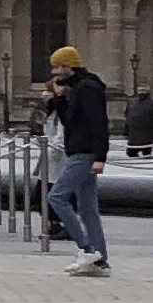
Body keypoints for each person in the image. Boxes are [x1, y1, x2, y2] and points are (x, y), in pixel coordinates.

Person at [44, 47, 110, 276]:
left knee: (56, 196)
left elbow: (99, 123)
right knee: (87, 207)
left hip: (85, 152)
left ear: (68, 66)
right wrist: (59, 99)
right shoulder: (77, 88)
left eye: (57, 67)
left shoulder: (88, 88)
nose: (54, 72)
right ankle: (99, 260)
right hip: (80, 150)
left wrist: (100, 157)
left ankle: (87, 249)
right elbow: (70, 122)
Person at [127, 86, 153, 159]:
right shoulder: (133, 102)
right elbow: (128, 116)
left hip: (145, 133)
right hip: (135, 134)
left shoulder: (150, 102)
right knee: (132, 153)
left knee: (145, 153)